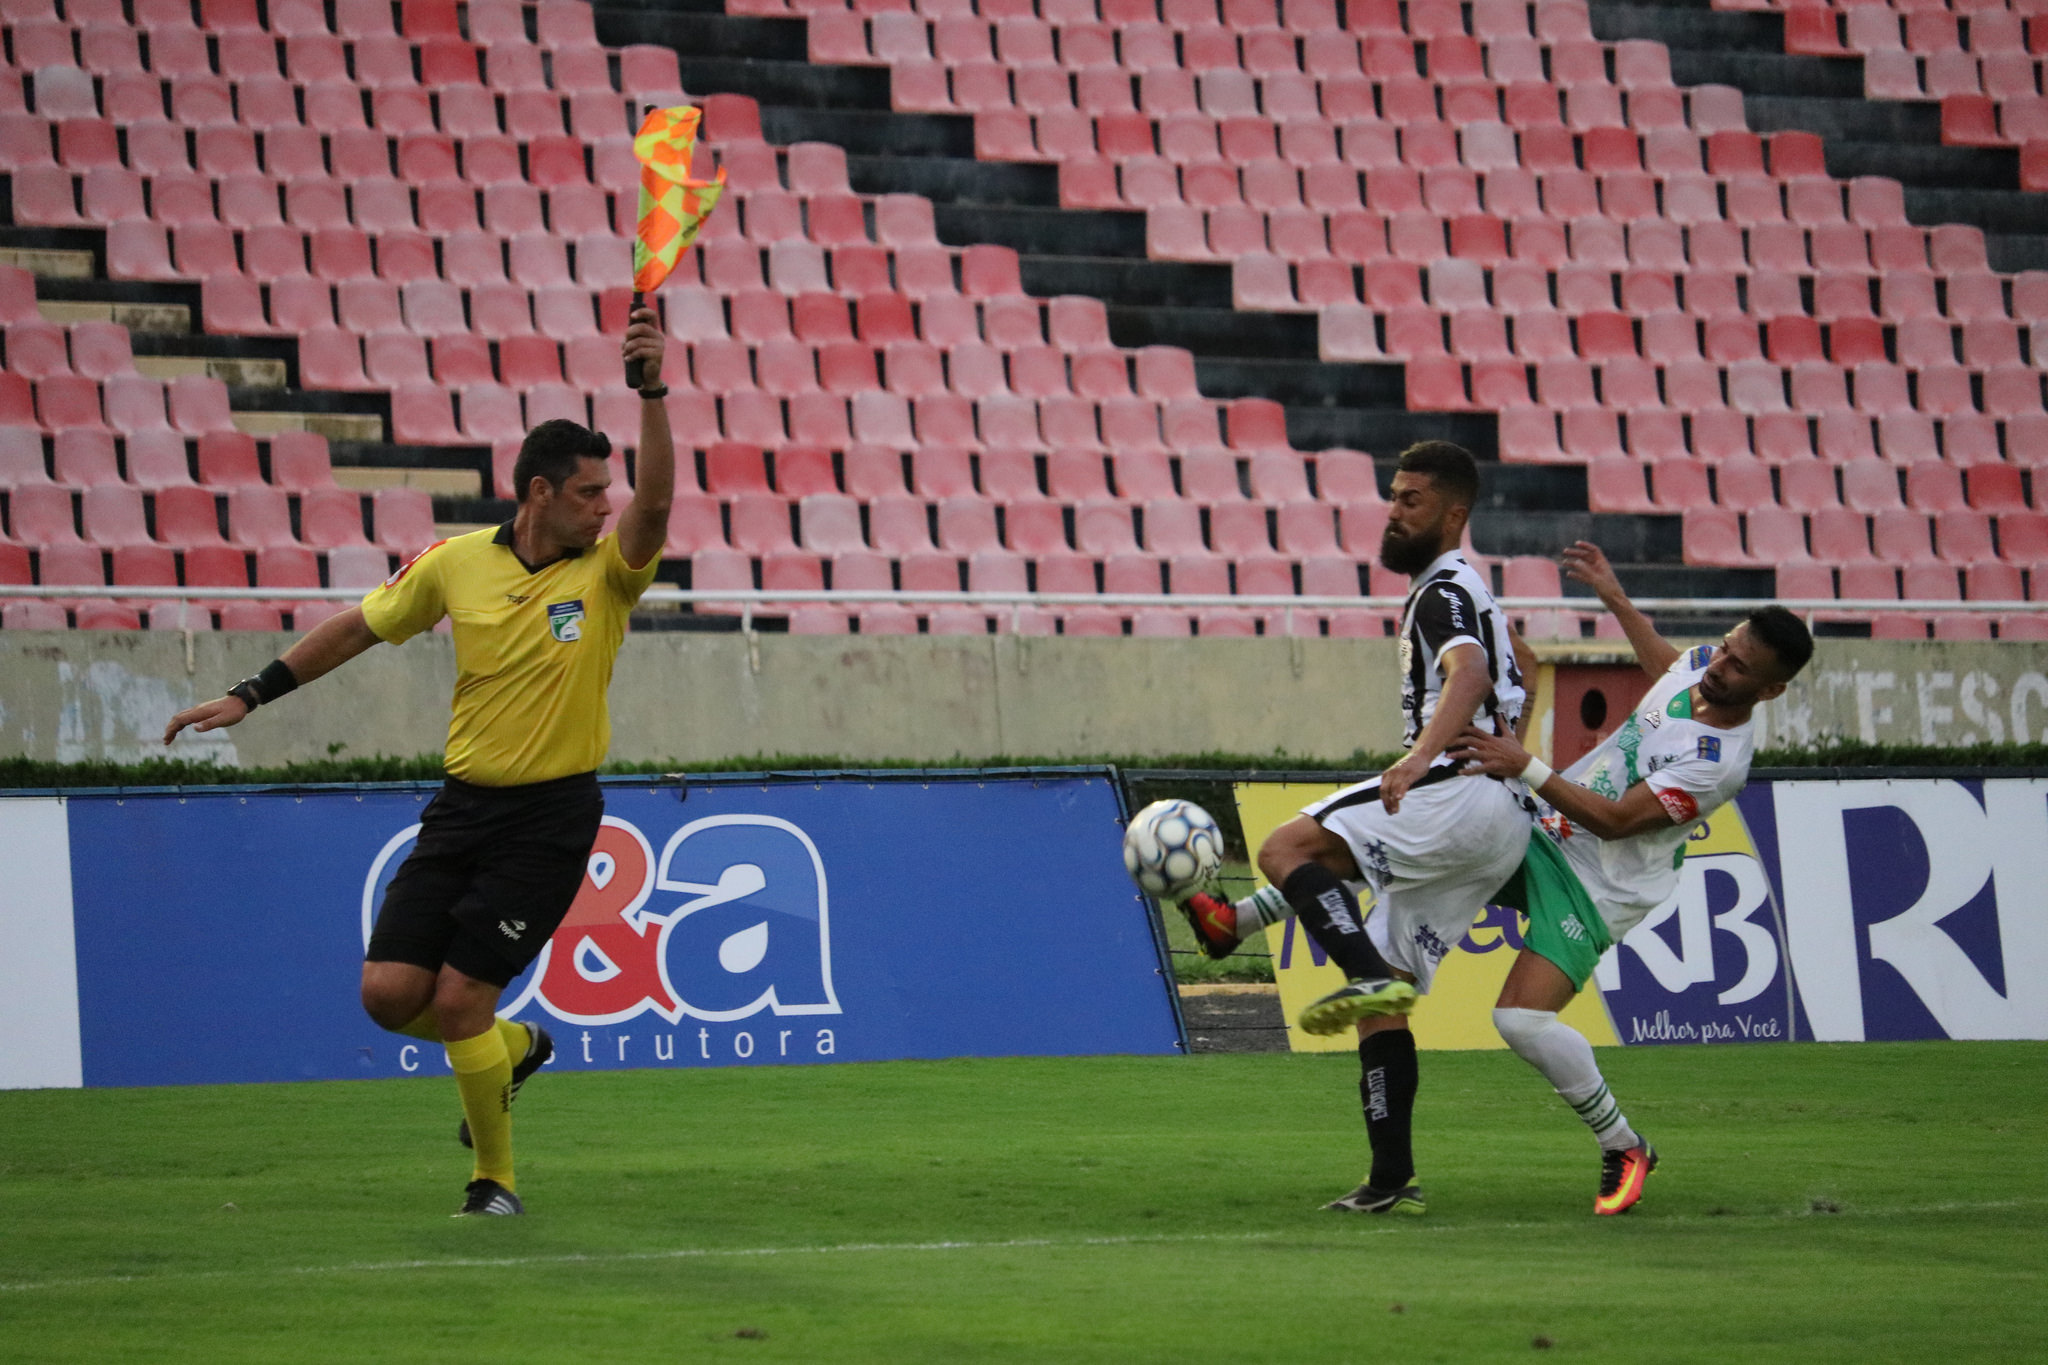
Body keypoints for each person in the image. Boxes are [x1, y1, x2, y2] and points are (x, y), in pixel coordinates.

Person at [162, 309, 675, 1216]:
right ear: (540, 491)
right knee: (388, 993)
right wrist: (252, 691)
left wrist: (652, 389)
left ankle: (495, 1181)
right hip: (462, 809)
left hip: (551, 817)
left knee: (460, 1000)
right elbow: (362, 626)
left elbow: (659, 506)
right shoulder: (454, 565)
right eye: (592, 491)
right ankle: (514, 1052)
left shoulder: (608, 573)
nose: (608, 505)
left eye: (609, 490)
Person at [1179, 440, 1537, 1216]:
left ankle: (1354, 963)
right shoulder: (1476, 589)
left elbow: (1472, 673)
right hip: (1500, 817)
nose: (1394, 511)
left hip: (1458, 787)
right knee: (1387, 1003)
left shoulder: (1440, 592)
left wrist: (1420, 756)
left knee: (1283, 848)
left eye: (1411, 500)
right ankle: (1390, 1180)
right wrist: (1512, 746)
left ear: (1453, 515)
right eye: (1393, 496)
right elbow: (1526, 670)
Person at [1448, 542, 1813, 1215]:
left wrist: (1524, 764)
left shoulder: (1717, 763)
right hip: (1548, 830)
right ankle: (1252, 913)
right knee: (1432, 836)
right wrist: (1614, 595)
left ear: (1771, 690)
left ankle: (1623, 1142)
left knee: (1520, 1019)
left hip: (1598, 883)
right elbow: (1668, 668)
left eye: (1740, 668)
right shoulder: (1706, 665)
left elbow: (1616, 822)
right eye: (1726, 648)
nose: (1718, 665)